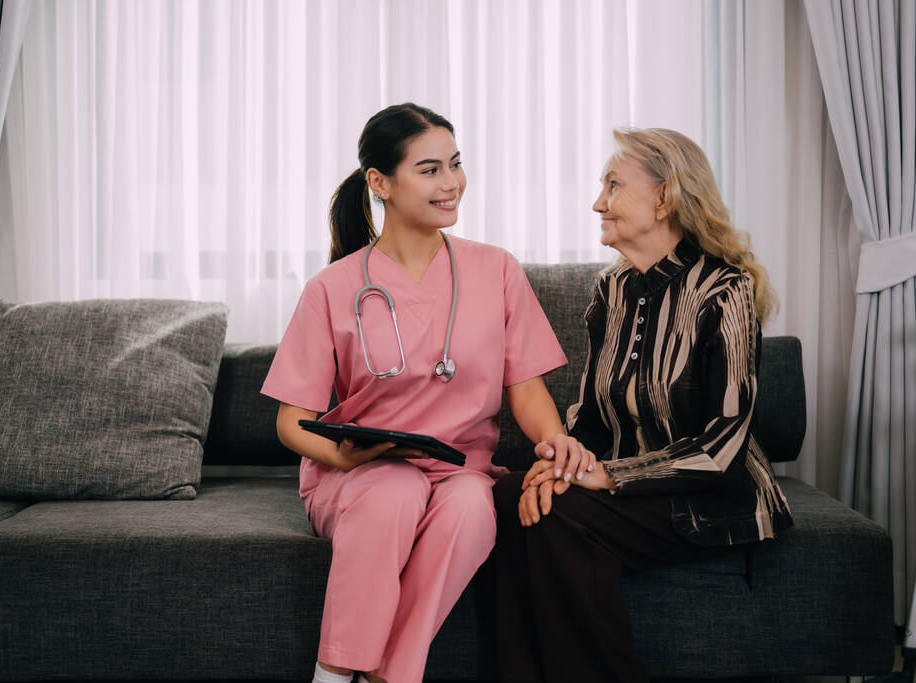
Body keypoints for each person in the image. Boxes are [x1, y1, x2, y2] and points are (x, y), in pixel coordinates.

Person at [260, 103, 581, 683]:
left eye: (455, 165)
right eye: (430, 169)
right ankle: (333, 672)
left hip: (460, 469)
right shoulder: (332, 288)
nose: (452, 183)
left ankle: (389, 676)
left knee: (471, 513)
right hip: (357, 474)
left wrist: (555, 444)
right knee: (394, 491)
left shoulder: (496, 271)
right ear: (380, 183)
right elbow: (292, 421)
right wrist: (342, 456)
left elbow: (526, 390)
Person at [492, 127, 794, 683]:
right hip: (629, 491)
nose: (597, 202)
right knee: (515, 492)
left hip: (706, 494)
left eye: (612, 185)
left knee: (561, 519)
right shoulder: (612, 290)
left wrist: (607, 477)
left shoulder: (725, 291)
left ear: (665, 196)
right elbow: (589, 416)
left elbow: (722, 446)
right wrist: (561, 467)